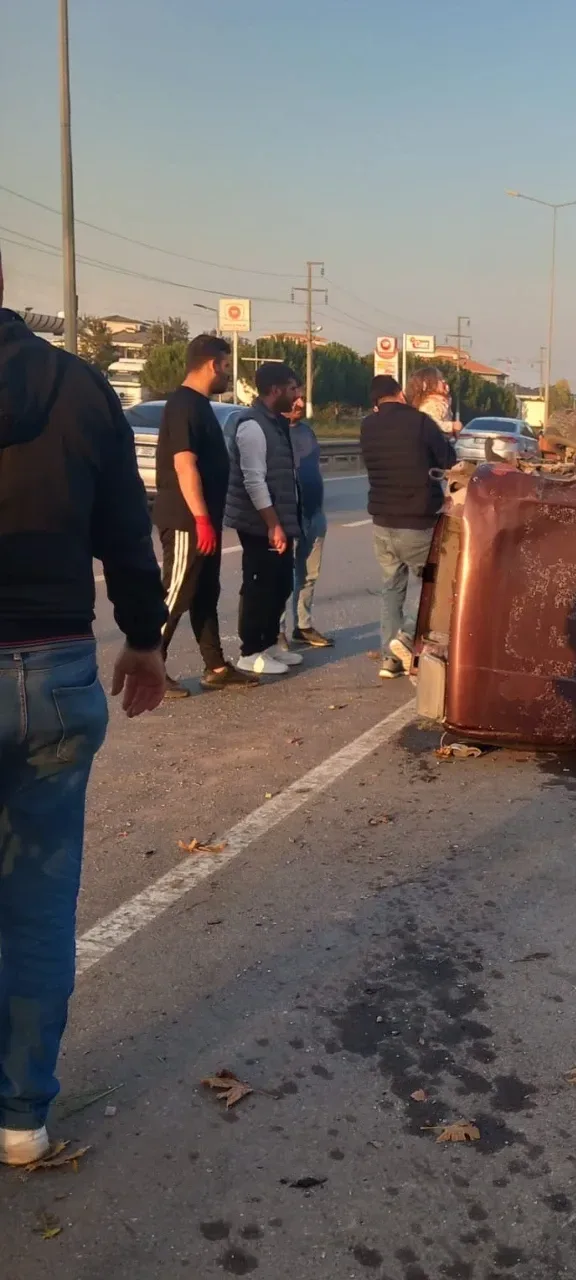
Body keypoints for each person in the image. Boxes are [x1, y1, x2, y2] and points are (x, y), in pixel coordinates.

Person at [0, 251, 167, 1166]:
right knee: (34, 911)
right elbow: (125, 530)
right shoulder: (79, 387)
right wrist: (143, 638)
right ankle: (21, 1118)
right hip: (57, 672)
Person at [153, 334, 258, 696]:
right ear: (213, 364)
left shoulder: (200, 405)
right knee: (176, 592)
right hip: (185, 520)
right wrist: (199, 519)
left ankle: (215, 665)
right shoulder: (183, 404)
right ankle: (150, 665)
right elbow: (185, 465)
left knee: (204, 593)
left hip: (204, 520)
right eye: (227, 366)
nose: (228, 375)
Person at [360, 374, 456, 679]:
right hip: (417, 522)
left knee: (391, 588)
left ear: (376, 401)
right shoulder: (420, 423)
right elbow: (448, 459)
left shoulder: (367, 426)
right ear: (400, 394)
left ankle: (390, 661)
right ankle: (405, 637)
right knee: (438, 584)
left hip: (382, 523)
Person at [224, 363, 304, 676]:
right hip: (260, 523)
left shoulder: (275, 423)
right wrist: (273, 524)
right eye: (292, 389)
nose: (297, 396)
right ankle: (250, 651)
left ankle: (269, 642)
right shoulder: (253, 426)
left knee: (281, 582)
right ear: (275, 390)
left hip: (279, 520)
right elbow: (254, 480)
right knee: (259, 585)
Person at [280, 393, 331, 648]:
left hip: (313, 511)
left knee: (309, 573)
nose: (300, 404)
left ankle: (303, 625)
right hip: (286, 514)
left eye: (302, 399)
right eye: (294, 399)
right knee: (281, 575)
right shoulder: (271, 432)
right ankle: (277, 631)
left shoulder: (307, 432)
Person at [406, 365, 457, 436]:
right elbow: (432, 423)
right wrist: (452, 426)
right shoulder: (429, 404)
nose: (443, 381)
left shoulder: (441, 401)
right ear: (427, 384)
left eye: (442, 378)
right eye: (439, 379)